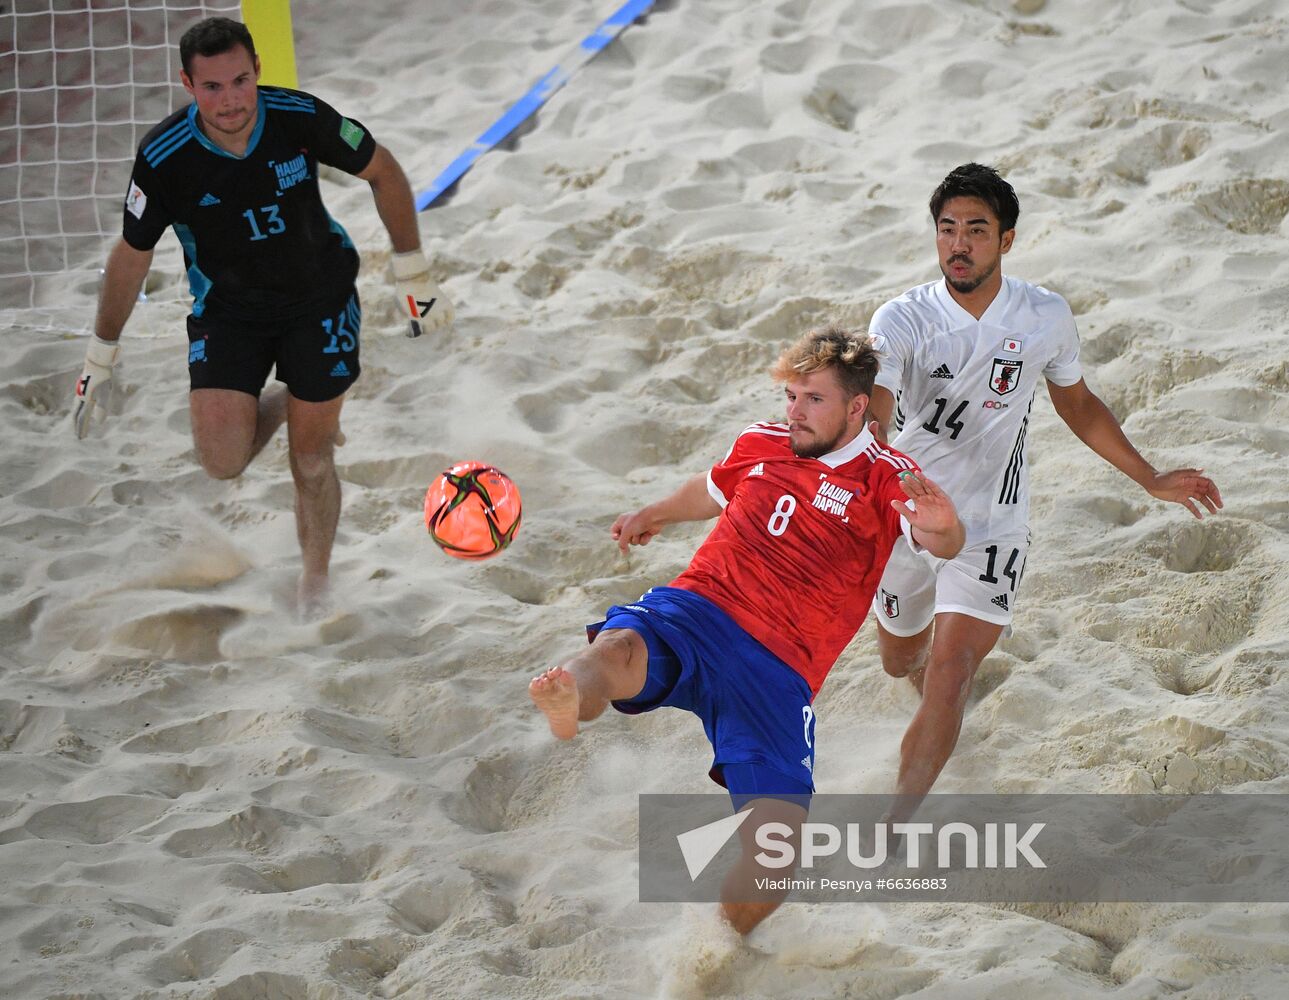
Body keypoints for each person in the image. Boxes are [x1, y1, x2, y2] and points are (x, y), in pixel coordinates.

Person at [529, 326, 965, 935]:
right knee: (619, 645)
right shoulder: (763, 441)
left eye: (813, 400)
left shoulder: (886, 475)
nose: (795, 412)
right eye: (791, 396)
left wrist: (947, 528)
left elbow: (938, 537)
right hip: (700, 611)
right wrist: (649, 514)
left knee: (775, 859)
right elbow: (709, 492)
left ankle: (717, 942)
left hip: (779, 670)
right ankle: (568, 695)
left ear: (857, 407)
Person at [867, 162, 1224, 811]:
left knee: (951, 678)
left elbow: (1078, 404)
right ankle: (933, 707)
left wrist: (1148, 477)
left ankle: (890, 829)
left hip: (989, 521)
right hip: (903, 515)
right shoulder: (901, 318)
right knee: (900, 661)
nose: (958, 243)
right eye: (947, 229)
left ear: (1004, 240)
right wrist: (865, 449)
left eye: (975, 230)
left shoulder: (1042, 316)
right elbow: (876, 405)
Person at [70, 16, 453, 611]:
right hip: (228, 313)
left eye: (240, 81)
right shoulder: (164, 155)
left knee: (311, 456)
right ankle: (295, 403)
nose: (230, 100)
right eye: (213, 87)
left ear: (257, 73)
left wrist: (415, 275)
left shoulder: (300, 116)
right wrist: (101, 352)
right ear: (188, 85)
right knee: (222, 463)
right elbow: (132, 254)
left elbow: (384, 171)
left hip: (319, 299)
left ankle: (315, 584)